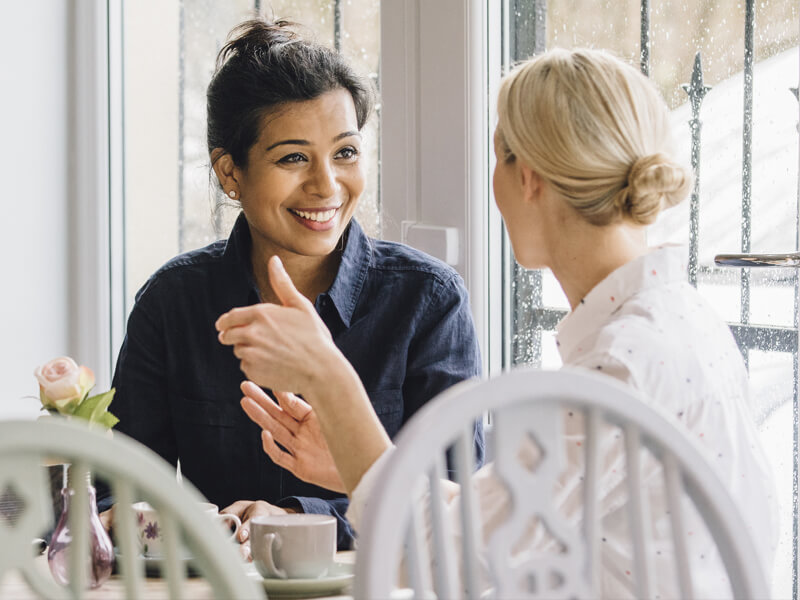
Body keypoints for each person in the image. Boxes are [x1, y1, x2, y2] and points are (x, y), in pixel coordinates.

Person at [219, 48, 778, 596]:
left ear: (527, 177)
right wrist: (351, 463)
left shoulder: (620, 366)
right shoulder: (675, 325)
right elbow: (503, 528)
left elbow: (444, 564)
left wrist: (329, 376)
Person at [101, 17, 484, 551]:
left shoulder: (429, 302)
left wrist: (292, 517)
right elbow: (116, 491)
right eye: (294, 158)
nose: (326, 185)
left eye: (345, 152)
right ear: (230, 173)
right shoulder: (173, 302)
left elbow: (460, 502)